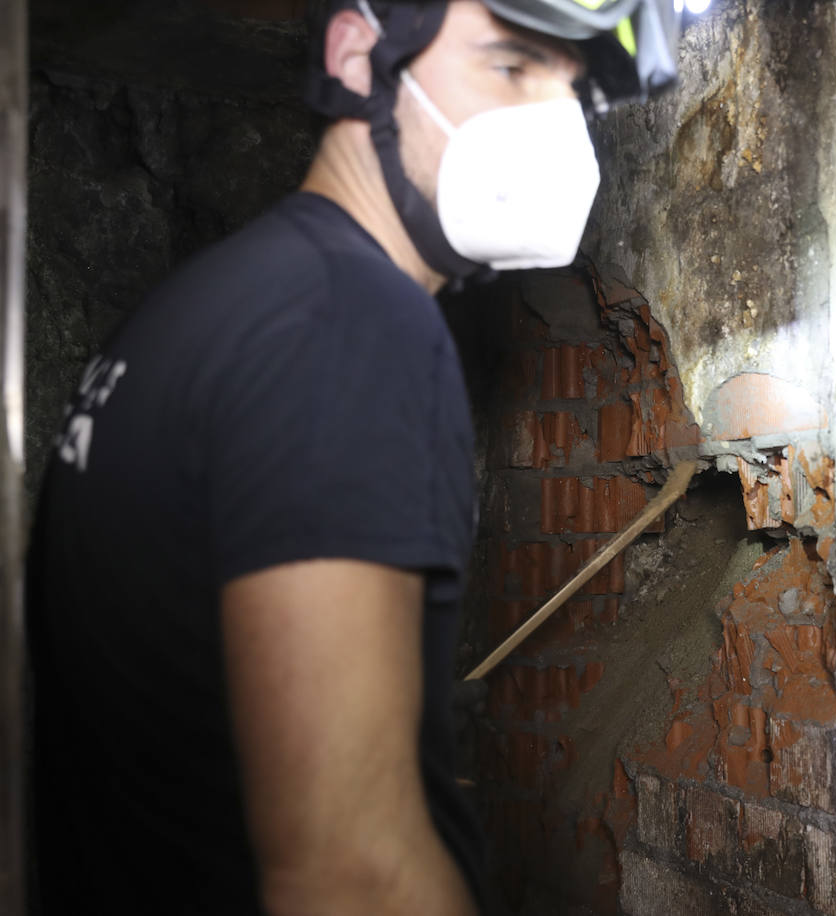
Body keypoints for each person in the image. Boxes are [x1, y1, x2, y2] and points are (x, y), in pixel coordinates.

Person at [25, 1, 678, 913]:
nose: (554, 126)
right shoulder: (351, 321)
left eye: (573, 88)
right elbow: (352, 874)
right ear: (358, 55)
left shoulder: (210, 306)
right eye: (511, 67)